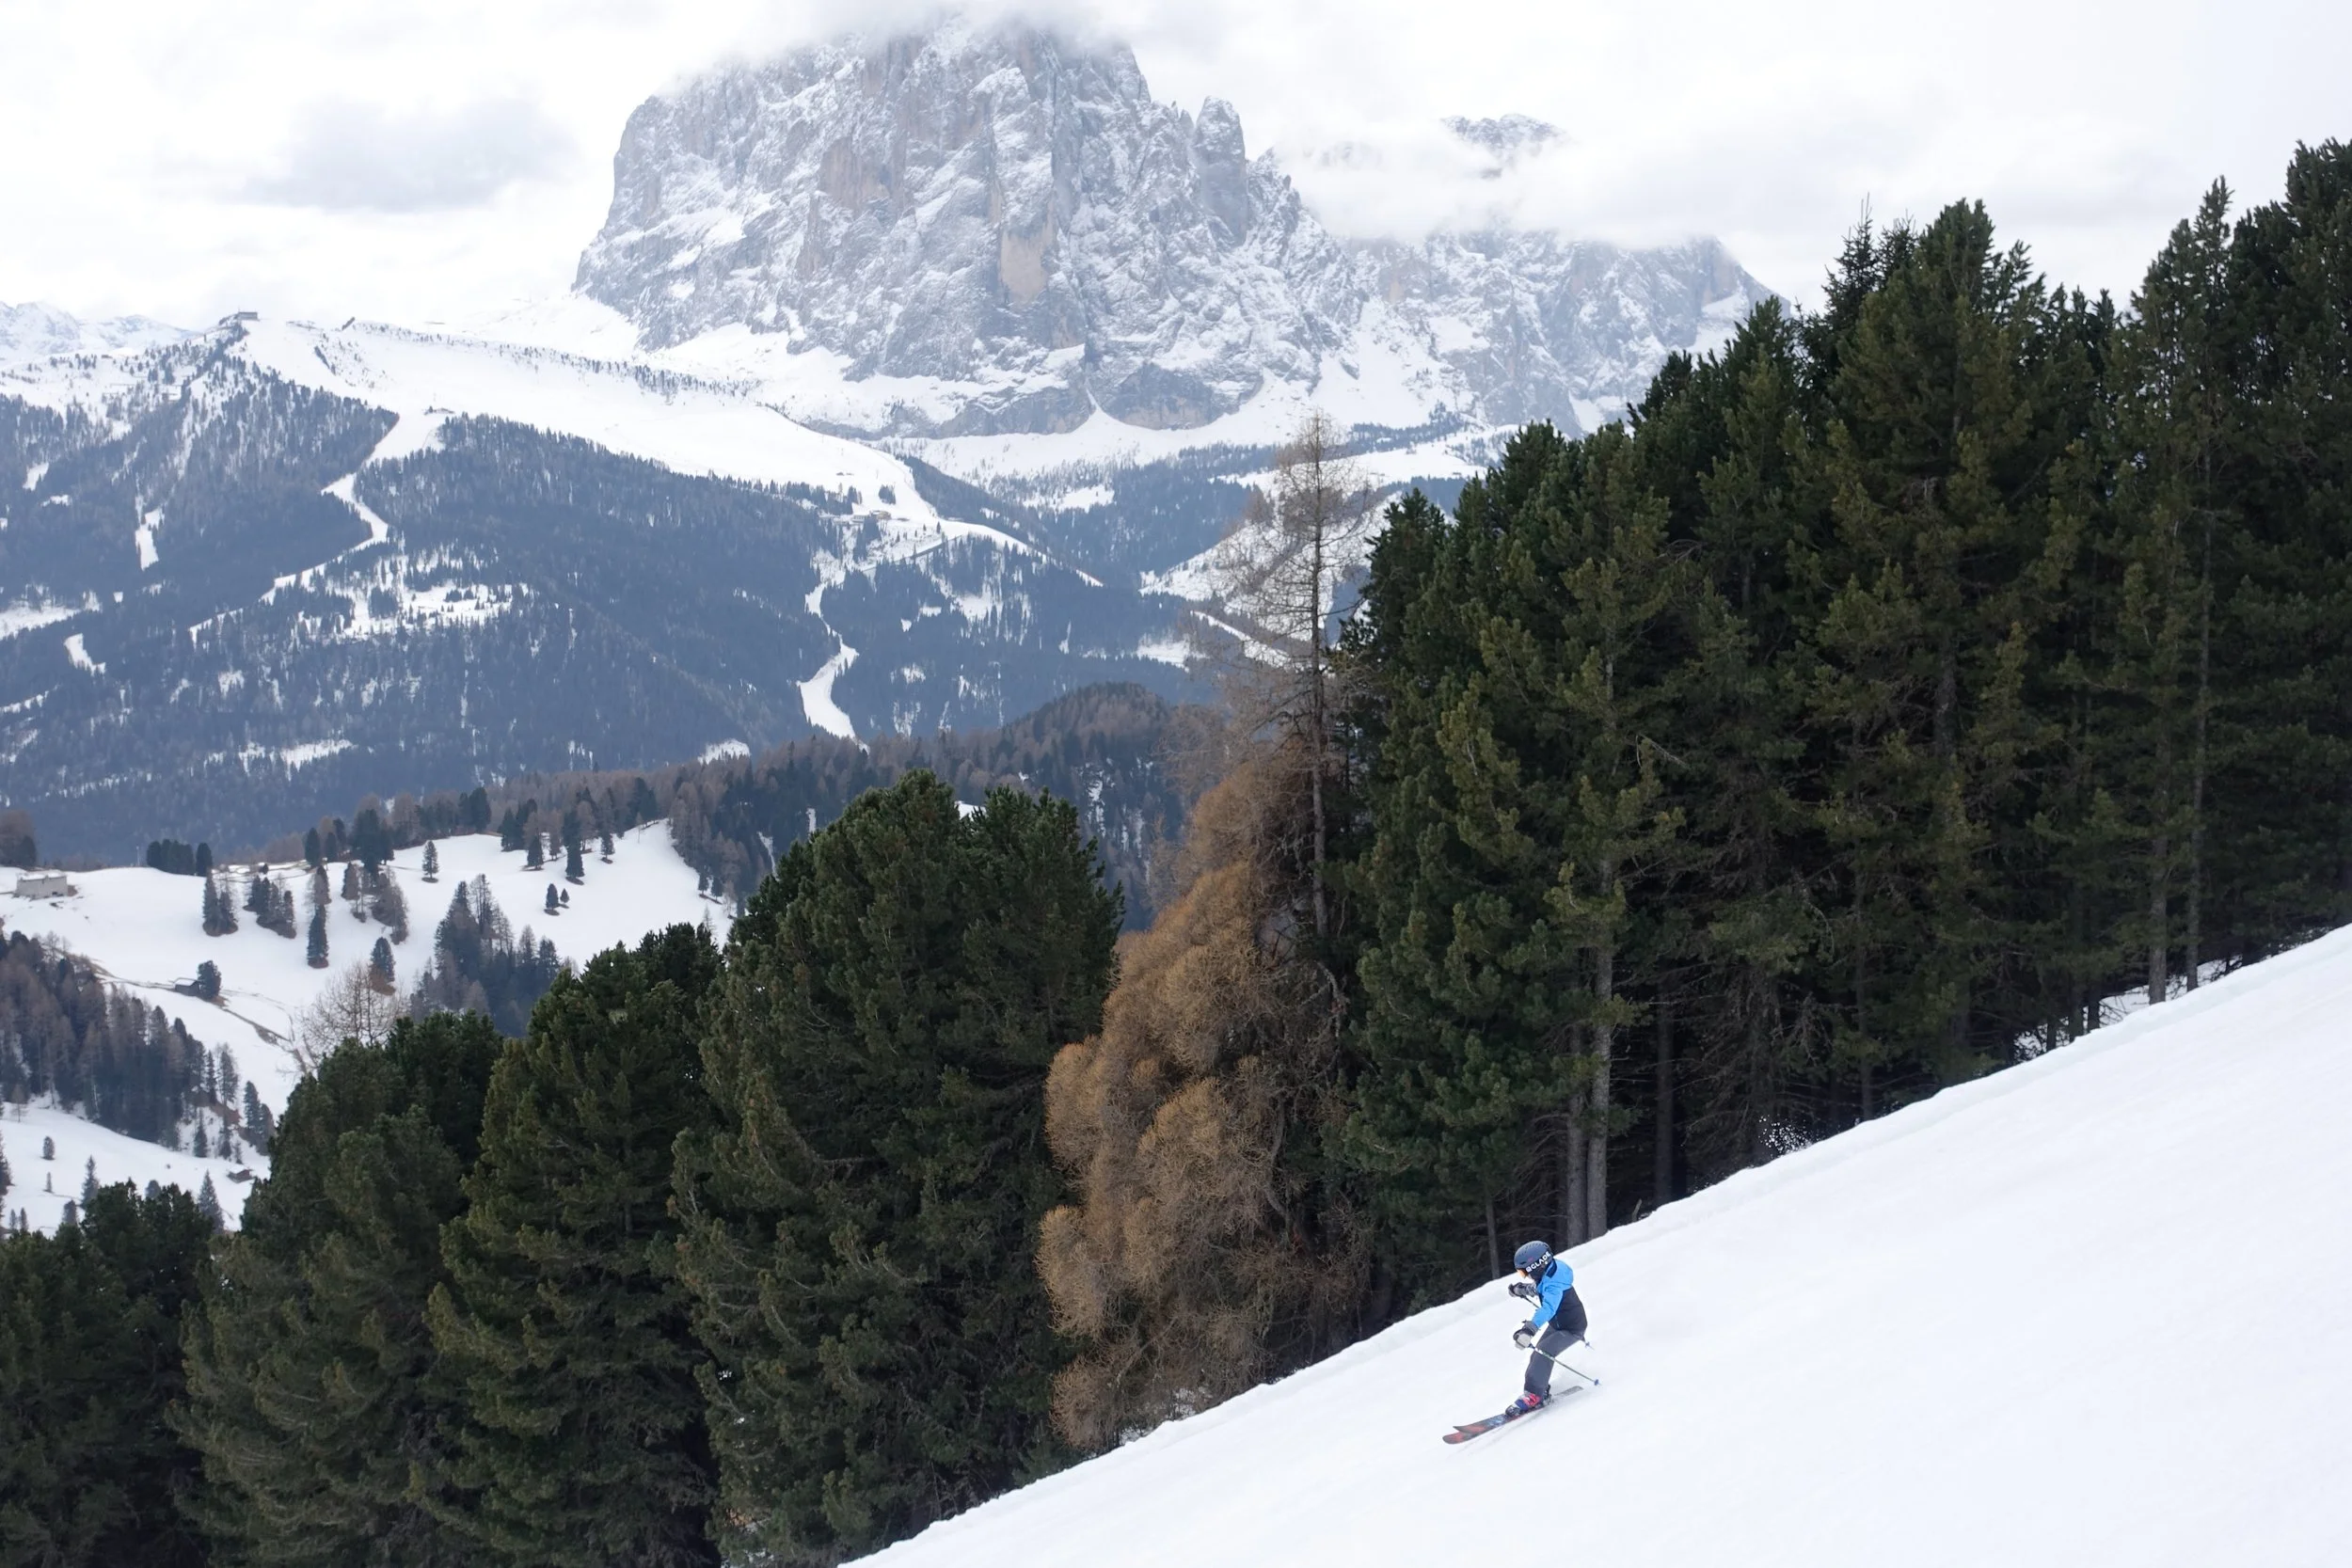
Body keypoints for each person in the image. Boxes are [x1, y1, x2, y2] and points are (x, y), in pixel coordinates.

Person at [1505, 1239, 1586, 1412]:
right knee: (1538, 1353)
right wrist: (1522, 1289)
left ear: (1537, 1266)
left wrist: (1529, 1329)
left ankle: (1534, 1395)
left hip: (1571, 1328)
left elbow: (1548, 1308)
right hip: (1560, 1325)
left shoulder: (1554, 1284)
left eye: (1524, 1272)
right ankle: (1538, 1389)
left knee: (1543, 1352)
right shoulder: (1550, 1272)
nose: (1525, 1276)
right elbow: (1539, 1287)